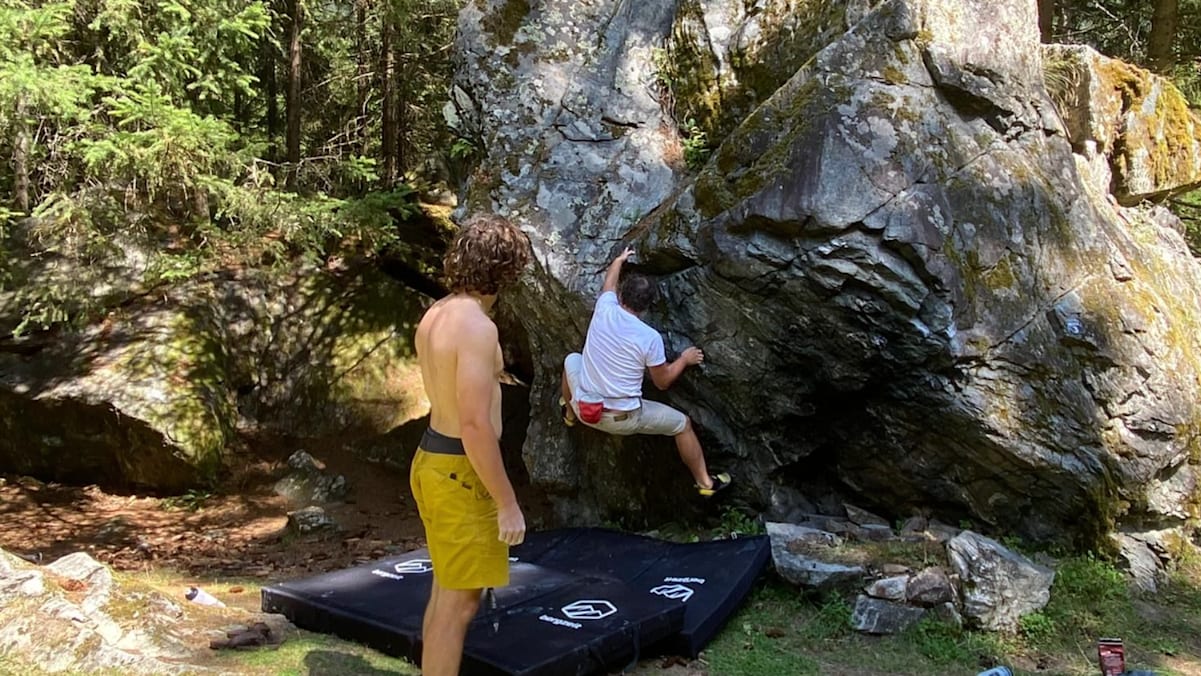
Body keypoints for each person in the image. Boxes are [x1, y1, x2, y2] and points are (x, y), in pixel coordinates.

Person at [410, 213, 530, 676]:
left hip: (433, 460)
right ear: (506, 270)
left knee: (447, 593)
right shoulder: (479, 329)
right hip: (461, 471)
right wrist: (507, 502)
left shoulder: (437, 313)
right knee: (459, 605)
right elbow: (476, 425)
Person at [561, 247, 732, 497]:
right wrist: (684, 359)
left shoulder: (605, 308)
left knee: (571, 360)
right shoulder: (649, 338)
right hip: (623, 418)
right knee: (682, 425)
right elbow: (662, 382)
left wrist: (619, 260)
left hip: (585, 407)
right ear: (647, 307)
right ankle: (706, 484)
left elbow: (608, 282)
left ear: (620, 296)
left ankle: (569, 413)